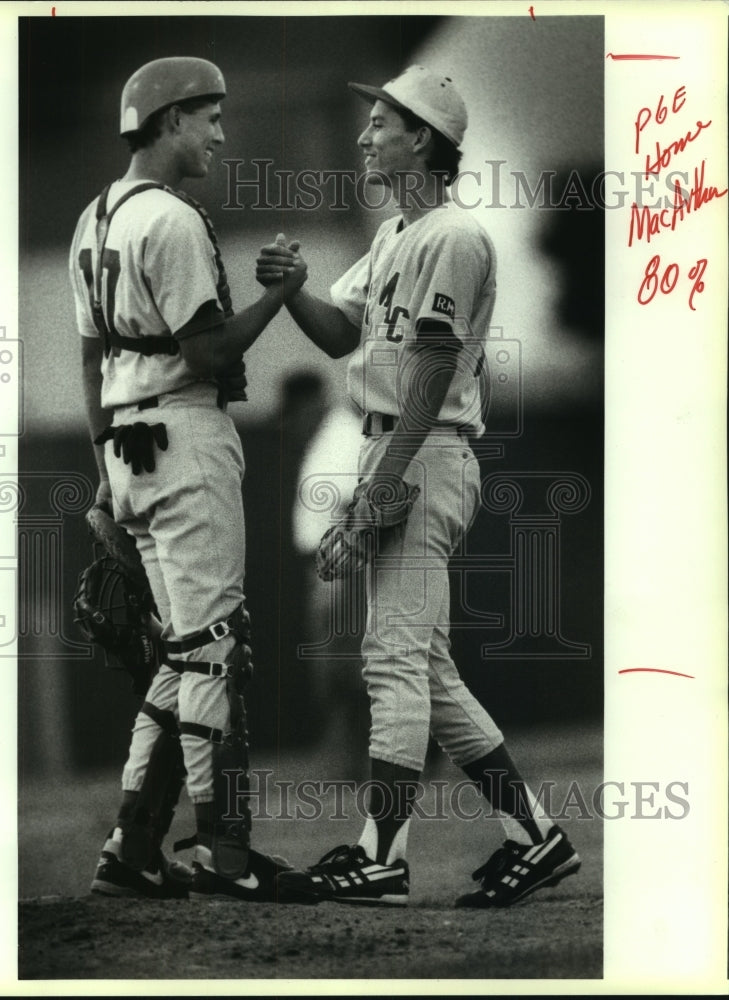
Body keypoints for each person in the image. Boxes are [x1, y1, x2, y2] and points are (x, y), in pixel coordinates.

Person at [256, 65, 581, 908]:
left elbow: (434, 367)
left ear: (423, 140)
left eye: (381, 123)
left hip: (423, 448)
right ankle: (536, 837)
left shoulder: (452, 235)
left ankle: (383, 855)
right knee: (426, 668)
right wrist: (292, 292)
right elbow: (336, 338)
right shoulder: (396, 233)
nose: (365, 135)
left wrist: (381, 484)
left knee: (390, 660)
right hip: (401, 447)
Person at [69, 56, 305, 901]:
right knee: (214, 654)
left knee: (179, 656)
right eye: (208, 115)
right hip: (183, 440)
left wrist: (102, 466)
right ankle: (225, 854)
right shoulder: (167, 218)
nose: (218, 131)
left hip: (128, 448)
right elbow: (207, 352)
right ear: (169, 119)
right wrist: (281, 294)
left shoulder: (95, 215)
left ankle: (131, 850)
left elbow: (93, 357)